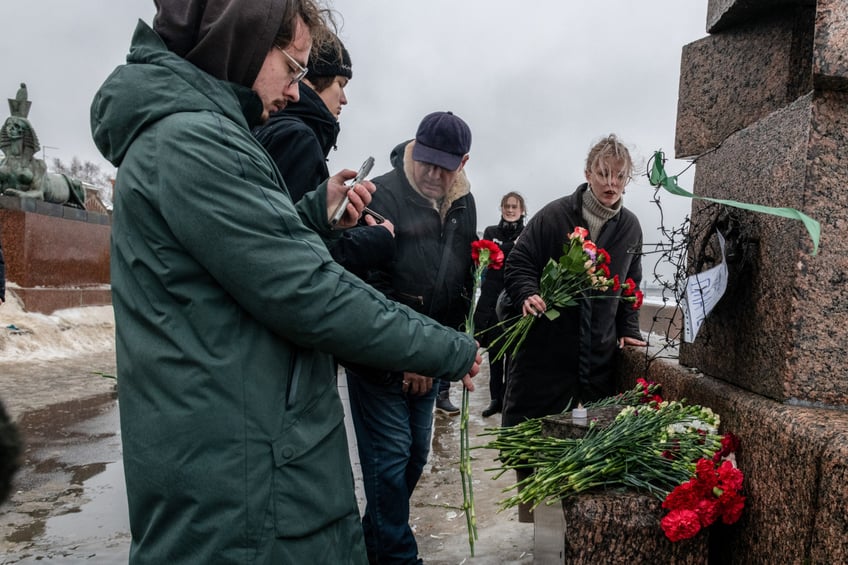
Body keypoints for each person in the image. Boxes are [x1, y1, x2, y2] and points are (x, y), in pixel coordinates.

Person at [89, 2, 480, 563]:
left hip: (232, 460)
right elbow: (309, 292)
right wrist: (449, 346)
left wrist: (309, 214)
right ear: (243, 41)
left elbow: (239, 258)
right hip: (242, 484)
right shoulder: (195, 143)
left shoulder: (199, 137)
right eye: (294, 68)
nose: (298, 92)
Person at [345, 110, 477, 564]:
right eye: (426, 160)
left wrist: (447, 350)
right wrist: (409, 353)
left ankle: (368, 545)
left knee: (415, 455)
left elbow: (461, 277)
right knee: (390, 459)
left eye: (445, 165)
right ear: (414, 150)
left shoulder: (464, 202)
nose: (433, 173)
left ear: (462, 163)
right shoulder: (382, 194)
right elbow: (368, 285)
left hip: (432, 355)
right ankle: (399, 557)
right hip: (380, 358)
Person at [501, 134, 647, 521]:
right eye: (603, 174)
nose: (611, 183)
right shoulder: (554, 215)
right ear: (587, 173)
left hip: (595, 357)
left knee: (585, 444)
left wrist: (629, 328)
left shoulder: (630, 227)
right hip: (544, 350)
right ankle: (532, 522)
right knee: (532, 436)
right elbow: (519, 263)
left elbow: (630, 284)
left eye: (619, 176)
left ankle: (567, 527)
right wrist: (527, 294)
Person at [253, 32, 395, 278]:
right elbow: (288, 251)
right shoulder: (298, 138)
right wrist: (375, 239)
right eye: (340, 84)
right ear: (309, 80)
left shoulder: (272, 125)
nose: (344, 99)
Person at [473, 191, 527, 417]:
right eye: (507, 206)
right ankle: (495, 399)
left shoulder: (527, 233)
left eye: (515, 206)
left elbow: (522, 258)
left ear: (522, 210)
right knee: (495, 354)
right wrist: (509, 246)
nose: (511, 210)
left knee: (514, 357)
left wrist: (505, 249)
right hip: (492, 299)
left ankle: (509, 401)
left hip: (515, 302)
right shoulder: (491, 232)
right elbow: (490, 254)